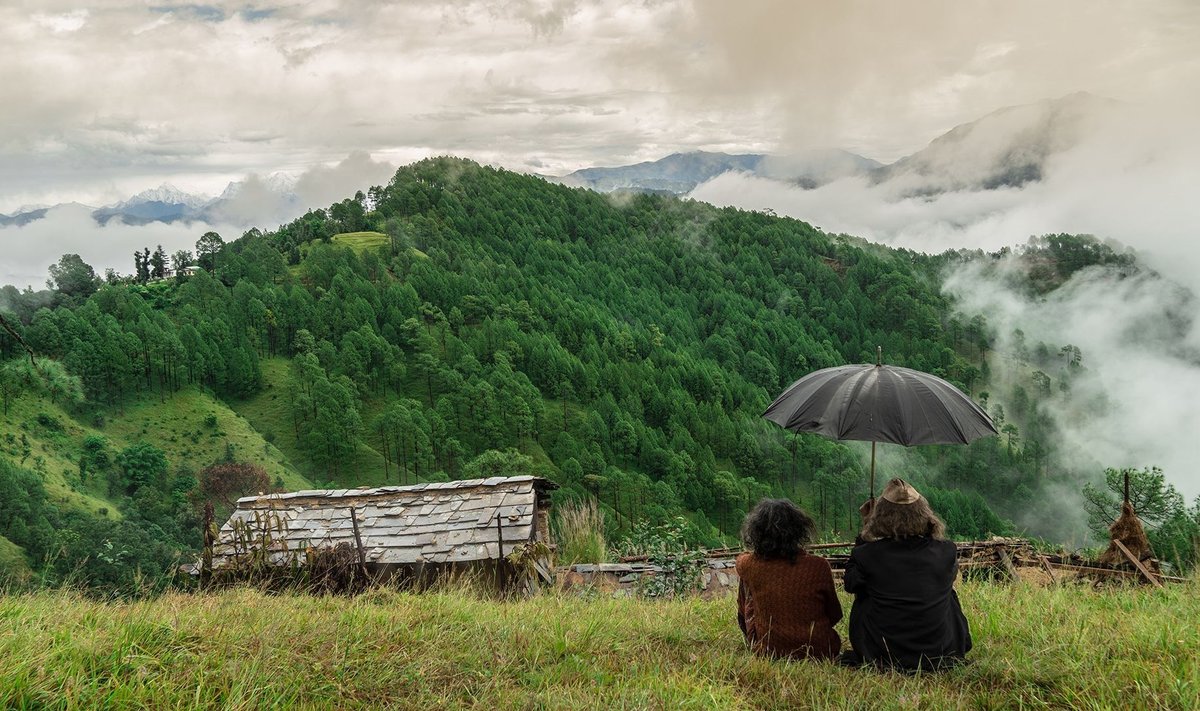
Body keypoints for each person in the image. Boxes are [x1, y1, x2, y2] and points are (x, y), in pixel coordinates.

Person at [841, 478, 972, 671]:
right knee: (948, 593)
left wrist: (865, 531)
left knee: (864, 592)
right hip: (941, 651)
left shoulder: (867, 554)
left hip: (883, 652)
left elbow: (851, 584)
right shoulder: (946, 551)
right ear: (924, 513)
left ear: (881, 515)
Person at [735, 499, 843, 660]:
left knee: (746, 584)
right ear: (799, 530)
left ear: (756, 532)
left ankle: (756, 640)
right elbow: (835, 614)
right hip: (821, 650)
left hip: (770, 651)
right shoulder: (819, 566)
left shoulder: (750, 565)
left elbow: (740, 560)